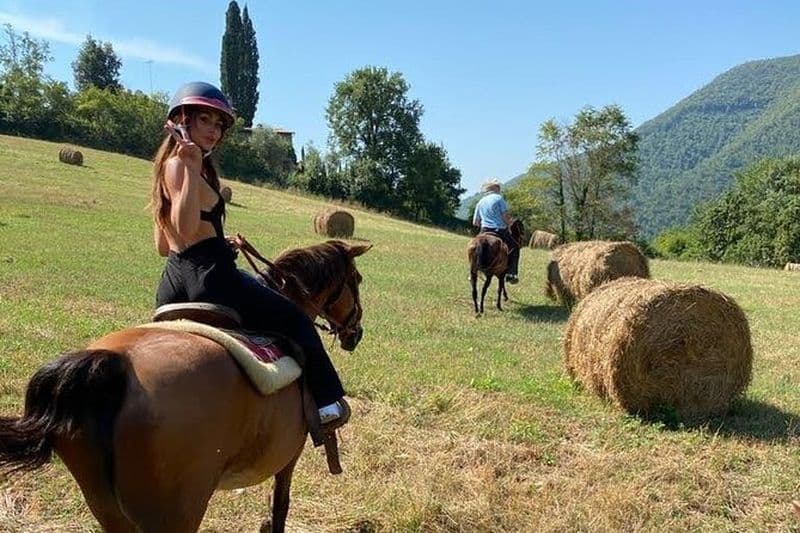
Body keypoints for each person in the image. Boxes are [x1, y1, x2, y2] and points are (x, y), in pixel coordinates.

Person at [150, 81, 348, 429]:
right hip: (212, 280)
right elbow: (182, 228)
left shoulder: (163, 167)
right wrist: (193, 169)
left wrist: (215, 238)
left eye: (218, 125)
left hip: (172, 282)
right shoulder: (184, 165)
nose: (213, 131)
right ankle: (327, 403)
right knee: (296, 319)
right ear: (182, 119)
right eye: (205, 120)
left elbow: (166, 246)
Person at [471, 178, 520, 283]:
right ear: (496, 188)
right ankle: (511, 273)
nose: (500, 188)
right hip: (499, 230)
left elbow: (475, 222)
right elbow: (505, 217)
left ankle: (472, 272)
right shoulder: (499, 199)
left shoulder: (480, 202)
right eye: (498, 187)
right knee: (515, 247)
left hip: (484, 230)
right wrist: (510, 223)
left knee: (474, 248)